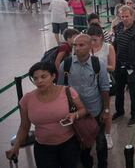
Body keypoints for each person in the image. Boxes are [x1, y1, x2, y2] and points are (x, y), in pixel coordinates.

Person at [5, 62, 86, 168]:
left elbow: (83, 110)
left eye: (43, 76)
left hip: (69, 145)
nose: (39, 81)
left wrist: (75, 115)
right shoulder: (27, 99)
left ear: (53, 76)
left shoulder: (67, 91)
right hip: (43, 149)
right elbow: (24, 126)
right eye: (36, 78)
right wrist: (16, 147)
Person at [57, 34, 111, 168]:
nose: (77, 48)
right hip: (75, 113)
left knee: (100, 142)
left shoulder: (98, 64)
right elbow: (60, 89)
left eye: (82, 45)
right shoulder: (66, 64)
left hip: (95, 111)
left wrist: (106, 110)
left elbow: (104, 88)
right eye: (75, 45)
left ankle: (102, 164)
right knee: (81, 142)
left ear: (90, 46)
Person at [112, 5, 135, 126]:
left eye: (127, 16)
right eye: (122, 17)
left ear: (132, 16)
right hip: (119, 66)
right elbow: (115, 44)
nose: (125, 19)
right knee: (119, 90)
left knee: (133, 92)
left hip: (132, 67)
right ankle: (119, 111)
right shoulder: (119, 28)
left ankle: (134, 115)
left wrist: (131, 64)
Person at [87, 24, 116, 149]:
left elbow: (112, 67)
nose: (92, 42)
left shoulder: (108, 47)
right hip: (88, 84)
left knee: (106, 110)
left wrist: (97, 65)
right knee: (90, 110)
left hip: (104, 83)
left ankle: (107, 134)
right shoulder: (85, 47)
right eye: (90, 39)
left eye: (95, 39)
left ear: (101, 37)